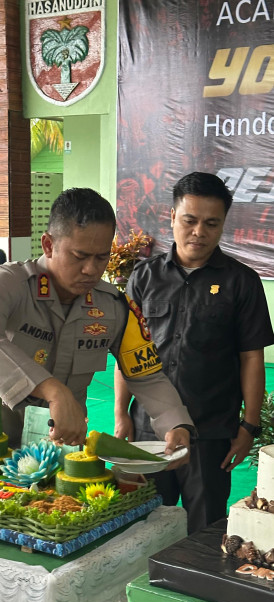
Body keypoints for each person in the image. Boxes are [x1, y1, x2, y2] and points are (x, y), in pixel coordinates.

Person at [0, 187, 194, 462]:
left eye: (101, 257)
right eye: (79, 256)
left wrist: (174, 422)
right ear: (48, 245)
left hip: (59, 451)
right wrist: (53, 390)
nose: (91, 270)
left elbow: (145, 374)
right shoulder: (8, 283)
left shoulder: (113, 306)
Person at [114, 172, 274, 533]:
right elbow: (128, 353)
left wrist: (249, 425)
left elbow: (252, 357)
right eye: (189, 220)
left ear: (222, 225)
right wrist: (121, 414)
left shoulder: (242, 282)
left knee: (204, 530)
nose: (198, 231)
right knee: (142, 527)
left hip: (210, 432)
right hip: (148, 430)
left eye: (210, 223)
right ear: (172, 218)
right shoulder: (143, 277)